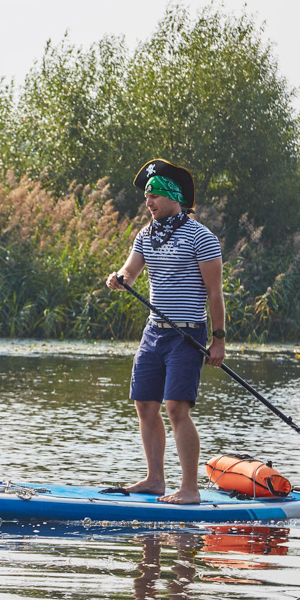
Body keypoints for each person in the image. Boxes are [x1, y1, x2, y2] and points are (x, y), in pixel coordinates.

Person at [105, 159, 226, 504]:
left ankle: (189, 488)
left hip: (187, 334)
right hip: (154, 333)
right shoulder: (146, 234)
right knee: (145, 404)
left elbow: (215, 293)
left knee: (176, 408)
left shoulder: (201, 237)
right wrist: (119, 279)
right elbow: (130, 270)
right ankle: (155, 480)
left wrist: (218, 340)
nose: (148, 202)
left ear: (174, 198)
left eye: (154, 195)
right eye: (146, 196)